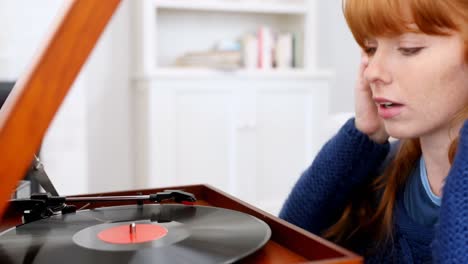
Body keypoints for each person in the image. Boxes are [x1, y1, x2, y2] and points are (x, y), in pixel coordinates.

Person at [279, 0, 468, 263]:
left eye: (408, 48)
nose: (372, 72)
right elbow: (285, 243)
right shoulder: (386, 171)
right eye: (371, 48)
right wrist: (363, 135)